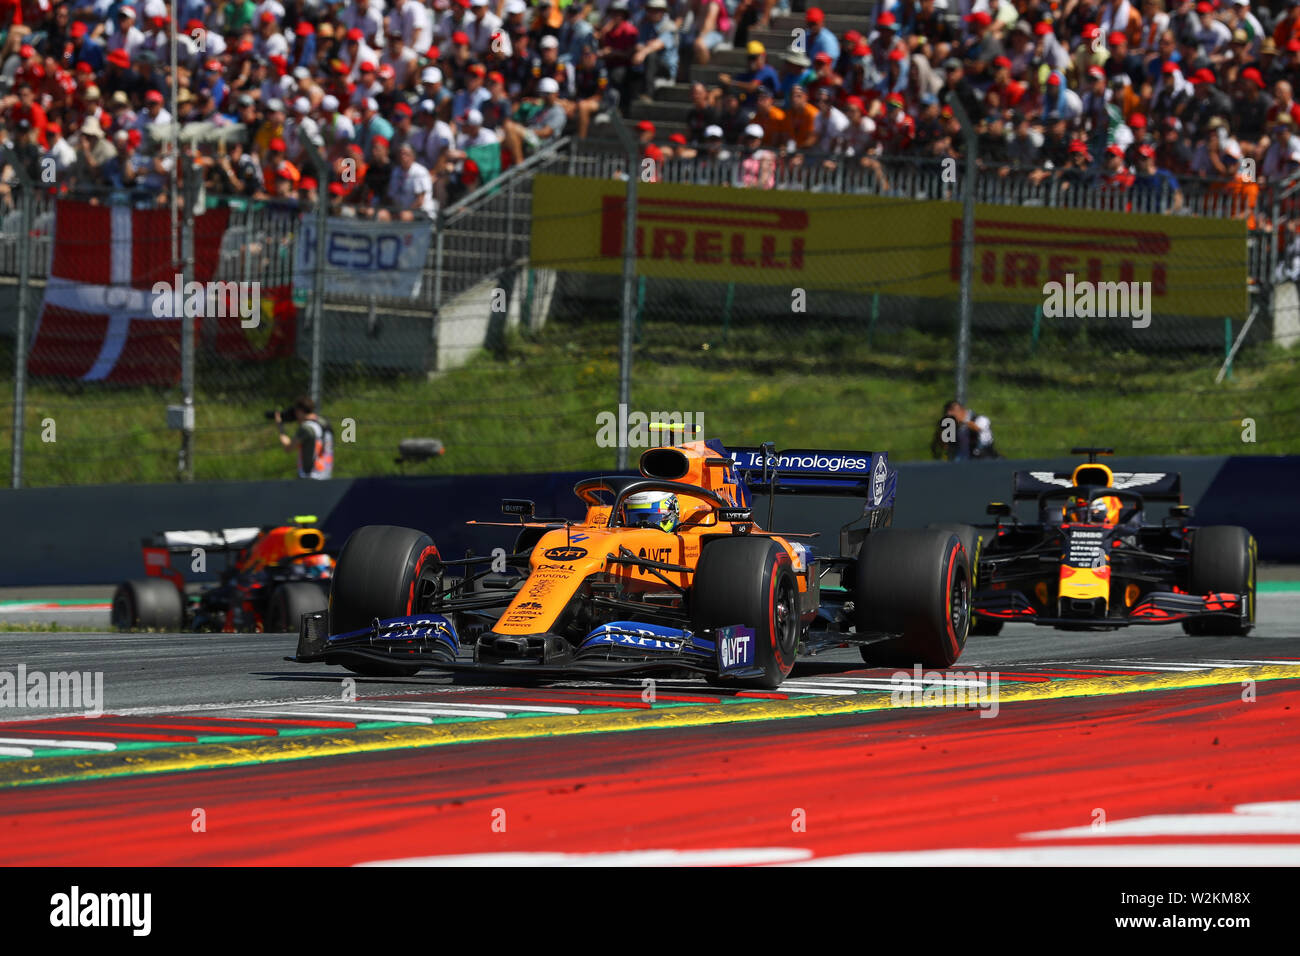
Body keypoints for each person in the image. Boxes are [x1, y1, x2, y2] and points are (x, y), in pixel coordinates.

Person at [274, 396, 335, 479]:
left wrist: (280, 428)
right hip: (326, 474)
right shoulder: (325, 423)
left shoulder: (307, 428)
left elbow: (288, 447)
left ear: (299, 411)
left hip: (310, 477)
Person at [932, 400, 998, 460]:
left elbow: (978, 430)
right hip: (960, 461)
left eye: (953, 413)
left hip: (983, 458)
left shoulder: (980, 419)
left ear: (961, 410)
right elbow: (945, 447)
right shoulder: (952, 427)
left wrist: (962, 423)